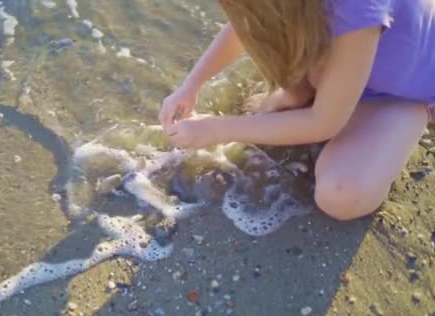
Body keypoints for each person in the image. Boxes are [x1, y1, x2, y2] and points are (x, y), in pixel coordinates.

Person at [158, 0, 435, 221]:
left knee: (341, 196)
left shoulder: (358, 6)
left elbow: (324, 123)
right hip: (355, 64)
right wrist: (190, 86)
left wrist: (216, 129)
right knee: (287, 32)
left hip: (403, 91)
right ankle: (303, 92)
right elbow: (246, 21)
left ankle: (410, 113)